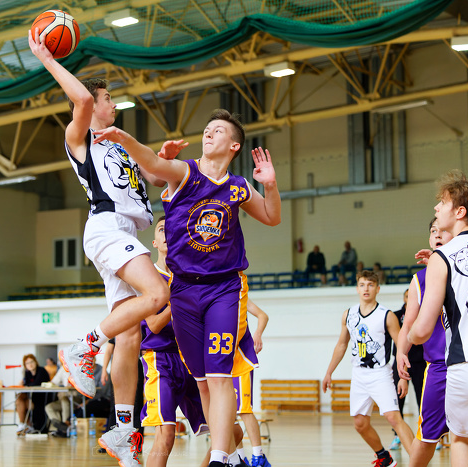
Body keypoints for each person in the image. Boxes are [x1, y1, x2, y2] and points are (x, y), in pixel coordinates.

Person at [91, 109, 281, 467]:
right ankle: (230, 456)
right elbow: (152, 163)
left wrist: (269, 185)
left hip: (223, 288)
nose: (208, 133)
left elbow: (272, 217)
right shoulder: (185, 172)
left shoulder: (239, 186)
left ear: (234, 145)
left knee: (220, 376)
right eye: (207, 129)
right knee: (204, 381)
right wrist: (124, 139)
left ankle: (219, 458)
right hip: (183, 291)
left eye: (218, 130)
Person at [29, 26, 182, 467]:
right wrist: (48, 59)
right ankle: (85, 347)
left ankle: (122, 430)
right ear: (95, 105)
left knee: (131, 334)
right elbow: (79, 100)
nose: (114, 105)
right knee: (158, 294)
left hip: (127, 234)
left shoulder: (122, 145)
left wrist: (165, 157)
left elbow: (155, 175)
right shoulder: (81, 139)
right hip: (107, 228)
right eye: (109, 99)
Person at [408, 171, 468, 467]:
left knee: (461, 440)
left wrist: (410, 336)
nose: (436, 207)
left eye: (442, 202)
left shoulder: (442, 257)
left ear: (460, 212)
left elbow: (422, 330)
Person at [322, 270, 414, 466]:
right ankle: (384, 457)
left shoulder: (387, 316)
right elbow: (341, 345)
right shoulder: (349, 314)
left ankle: (418, 461)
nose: (366, 289)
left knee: (394, 418)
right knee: (360, 423)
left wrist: (403, 377)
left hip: (381, 374)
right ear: (357, 289)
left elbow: (402, 347)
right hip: (358, 374)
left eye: (371, 285)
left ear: (377, 289)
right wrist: (329, 372)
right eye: (362, 285)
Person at [140, 217, 208, 467]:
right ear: (155, 242)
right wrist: (178, 298)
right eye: (162, 229)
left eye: (172, 230)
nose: (168, 233)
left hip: (191, 359)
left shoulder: (192, 276)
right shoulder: (146, 277)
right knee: (167, 435)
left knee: (230, 433)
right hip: (160, 359)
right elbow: (154, 325)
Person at [396, 218, 453, 466]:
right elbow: (408, 324)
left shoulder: (465, 269)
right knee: (427, 437)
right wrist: (401, 352)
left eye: (443, 230)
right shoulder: (419, 279)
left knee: (463, 436)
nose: (437, 234)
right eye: (433, 231)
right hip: (439, 366)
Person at [233, 301, 271, 467]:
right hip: (223, 362)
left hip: (242, 360)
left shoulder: (239, 294)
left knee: (244, 410)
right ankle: (241, 458)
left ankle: (258, 456)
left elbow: (263, 315)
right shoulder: (212, 297)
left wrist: (258, 333)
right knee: (228, 414)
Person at [388, 288, 424, 452]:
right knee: (397, 399)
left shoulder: (423, 314)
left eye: (412, 296)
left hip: (420, 362)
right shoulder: (395, 316)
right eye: (407, 296)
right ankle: (397, 435)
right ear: (404, 299)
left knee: (422, 399)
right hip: (400, 362)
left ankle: (425, 434)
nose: (410, 299)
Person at [15, 354, 50, 434]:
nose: (30, 364)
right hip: (31, 398)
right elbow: (27, 385)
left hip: (41, 400)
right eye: (27, 363)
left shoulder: (41, 370)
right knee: (19, 400)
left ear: (35, 362)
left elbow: (36, 383)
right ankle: (23, 424)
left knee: (20, 401)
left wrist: (25, 385)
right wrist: (22, 384)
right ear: (25, 365)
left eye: (31, 362)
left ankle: (25, 424)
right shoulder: (27, 373)